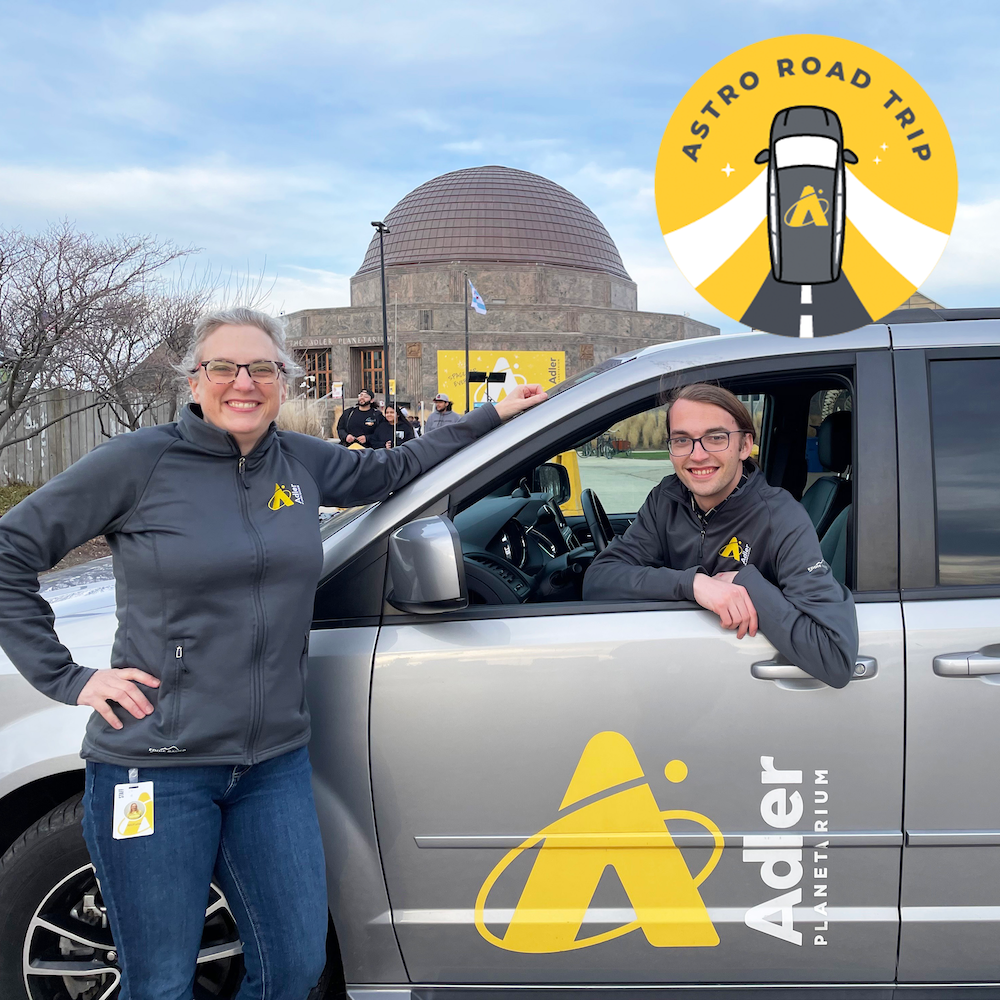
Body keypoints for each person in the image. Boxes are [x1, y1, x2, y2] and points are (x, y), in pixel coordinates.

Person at [0, 307, 547, 1000]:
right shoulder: (140, 463)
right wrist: (67, 677)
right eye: (222, 367)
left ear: (283, 381)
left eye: (262, 368)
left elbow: (393, 469)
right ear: (195, 380)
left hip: (271, 767)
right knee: (159, 982)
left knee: (293, 969)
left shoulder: (300, 460)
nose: (243, 383)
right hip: (158, 769)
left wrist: (491, 417)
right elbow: (9, 552)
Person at [582, 382, 858, 688]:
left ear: (744, 446)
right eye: (682, 440)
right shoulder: (667, 499)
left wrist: (747, 583)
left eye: (716, 438)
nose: (697, 455)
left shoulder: (781, 518)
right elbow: (599, 581)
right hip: (671, 676)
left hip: (744, 689)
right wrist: (694, 583)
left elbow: (836, 659)